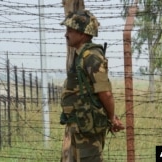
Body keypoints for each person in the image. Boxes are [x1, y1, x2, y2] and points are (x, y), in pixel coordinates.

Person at [60, 10, 125, 162]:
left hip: (88, 126)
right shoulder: (81, 55)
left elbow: (105, 92)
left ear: (83, 33)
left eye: (70, 30)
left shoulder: (92, 56)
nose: (66, 34)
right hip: (80, 123)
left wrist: (111, 117)